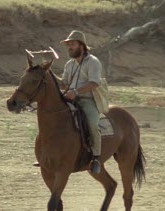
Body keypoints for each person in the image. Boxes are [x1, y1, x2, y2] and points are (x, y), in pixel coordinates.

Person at [60, 30, 102, 174]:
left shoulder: (93, 62)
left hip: (87, 100)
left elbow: (94, 83)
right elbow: (64, 83)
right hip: (70, 99)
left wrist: (76, 92)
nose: (69, 47)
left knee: (92, 124)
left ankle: (96, 157)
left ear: (82, 46)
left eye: (72, 44)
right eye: (68, 44)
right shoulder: (69, 64)